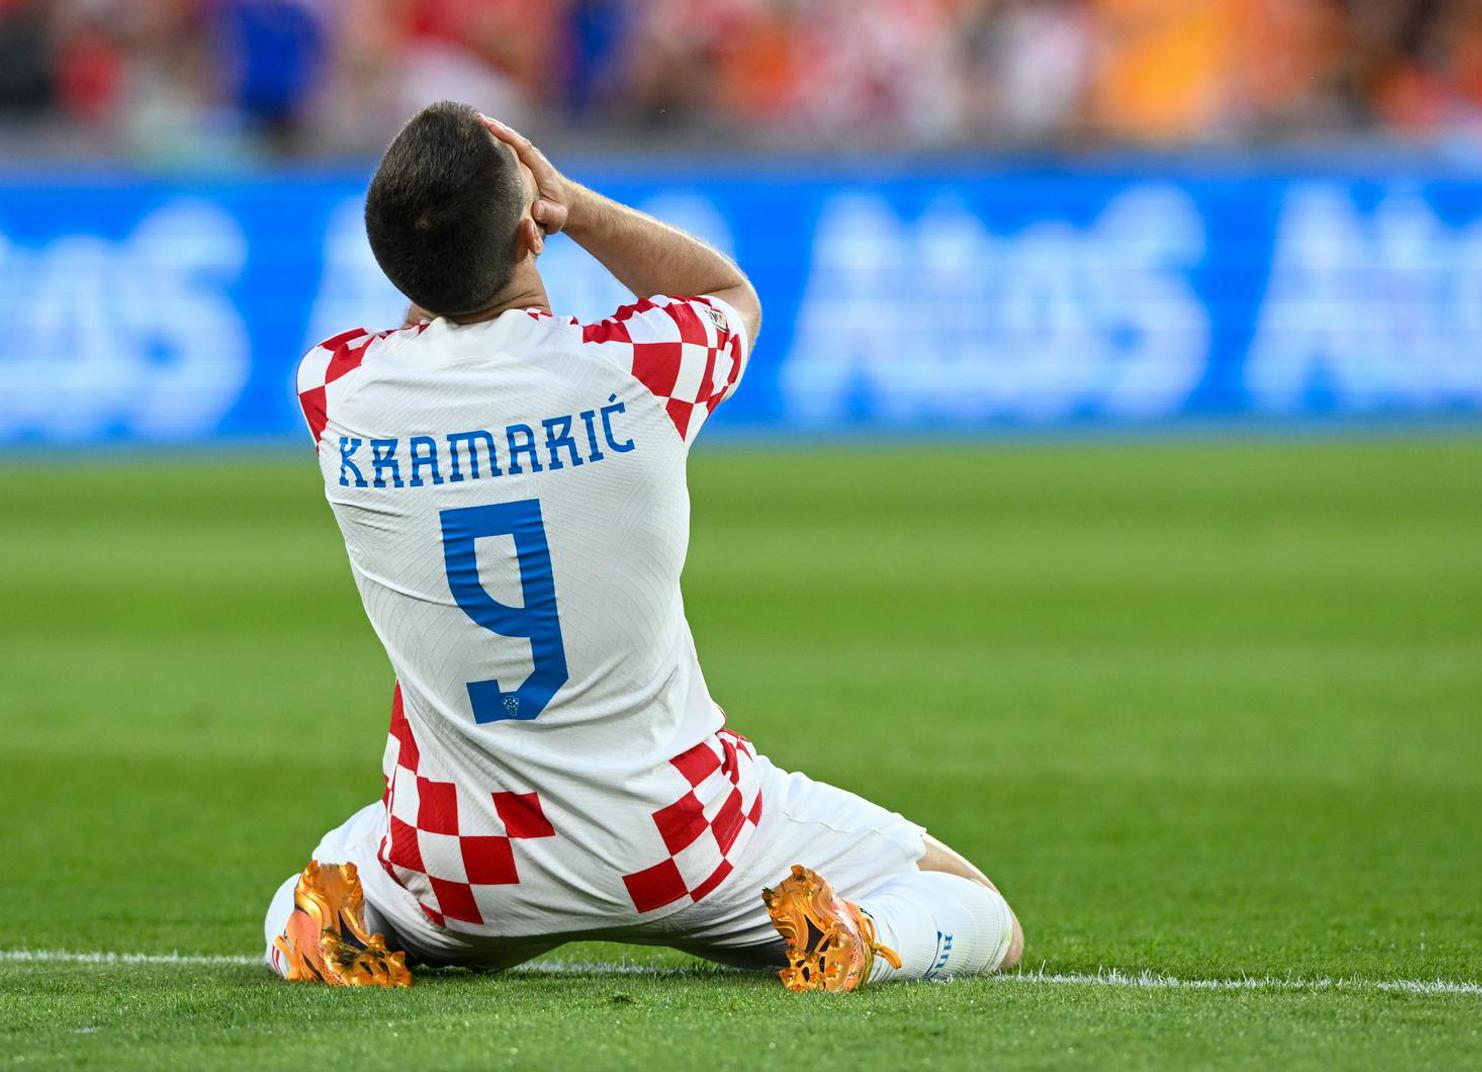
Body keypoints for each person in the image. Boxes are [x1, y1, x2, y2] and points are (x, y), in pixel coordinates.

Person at [265, 101, 1023, 992]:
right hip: (673, 842)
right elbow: (725, 295)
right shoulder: (638, 368)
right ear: (527, 231)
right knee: (976, 909)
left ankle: (317, 937)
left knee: (306, 887)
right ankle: (867, 936)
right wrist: (574, 205)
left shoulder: (339, 389)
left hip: (462, 873)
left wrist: (450, 240)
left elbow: (429, 314)